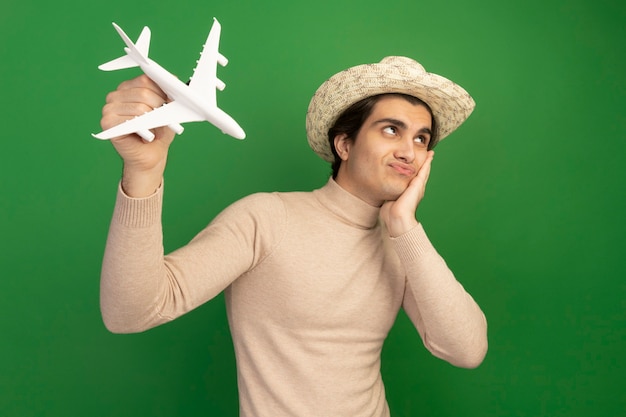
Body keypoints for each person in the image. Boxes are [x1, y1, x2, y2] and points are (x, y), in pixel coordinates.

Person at [98, 56, 488, 417]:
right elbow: (130, 312)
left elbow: (467, 350)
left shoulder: (403, 246)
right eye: (391, 130)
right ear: (344, 144)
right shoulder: (267, 218)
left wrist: (405, 226)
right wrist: (143, 174)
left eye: (422, 139)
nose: (410, 151)